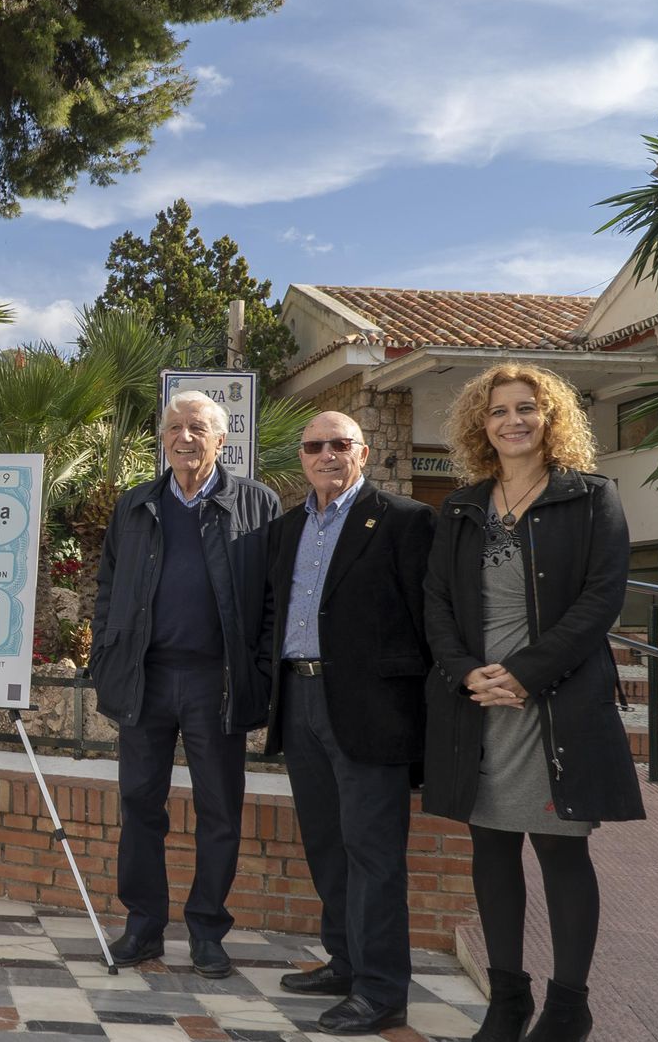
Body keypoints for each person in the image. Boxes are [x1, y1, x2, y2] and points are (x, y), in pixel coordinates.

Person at [424, 364, 643, 1042]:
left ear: (552, 418)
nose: (513, 421)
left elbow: (600, 601)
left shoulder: (591, 498)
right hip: (479, 707)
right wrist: (466, 674)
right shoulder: (461, 506)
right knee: (490, 848)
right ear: (479, 425)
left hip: (554, 707)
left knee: (559, 849)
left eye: (527, 408)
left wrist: (524, 674)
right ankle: (508, 1000)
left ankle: (569, 1006)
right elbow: (436, 603)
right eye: (499, 411)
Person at [89, 391, 279, 977]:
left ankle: (207, 932)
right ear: (163, 438)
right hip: (145, 679)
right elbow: (107, 585)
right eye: (174, 427)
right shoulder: (135, 503)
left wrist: (261, 668)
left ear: (222, 440)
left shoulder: (256, 502)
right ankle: (143, 927)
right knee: (140, 804)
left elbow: (273, 596)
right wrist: (105, 652)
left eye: (198, 427)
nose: (185, 437)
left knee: (219, 809)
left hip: (213, 680)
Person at [263, 412, 435, 1035]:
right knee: (327, 844)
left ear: (363, 452)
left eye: (340, 444)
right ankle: (344, 961)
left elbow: (427, 621)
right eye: (315, 446)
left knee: (374, 854)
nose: (327, 454)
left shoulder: (406, 520)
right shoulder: (288, 527)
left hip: (371, 710)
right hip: (301, 700)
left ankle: (382, 988)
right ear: (302, 457)